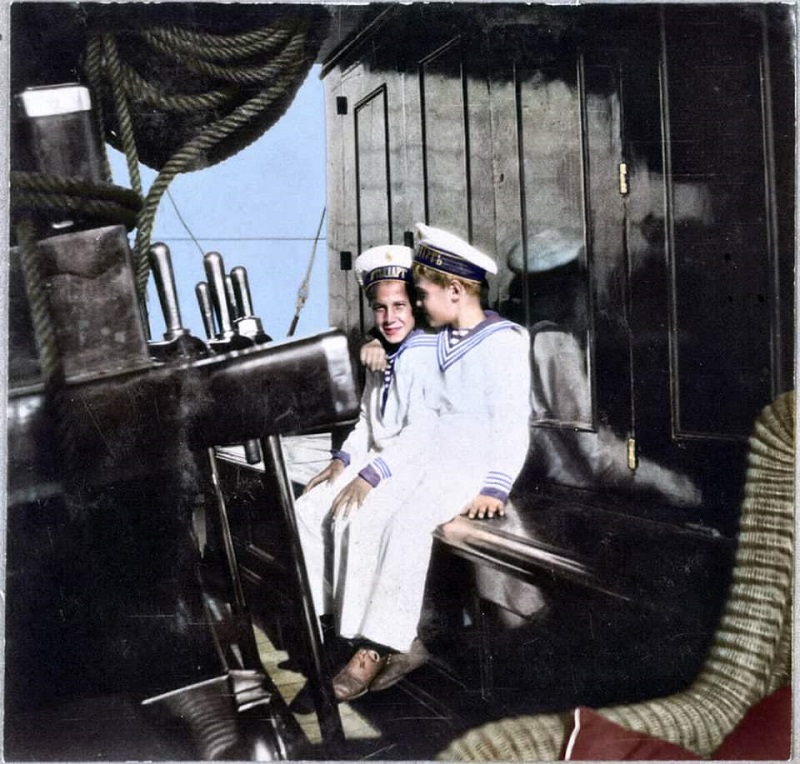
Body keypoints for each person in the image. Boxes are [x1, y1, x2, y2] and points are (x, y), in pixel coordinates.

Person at [356, 223, 533, 692]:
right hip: (431, 462)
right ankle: (367, 634)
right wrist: (373, 342)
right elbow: (398, 348)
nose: (416, 305)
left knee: (407, 523)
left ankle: (391, 642)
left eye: (422, 295)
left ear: (455, 291)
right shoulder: (441, 338)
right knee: (370, 512)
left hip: (469, 470)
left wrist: (496, 486)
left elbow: (513, 421)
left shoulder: (504, 340)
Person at [293, 243, 439, 701]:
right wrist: (341, 461)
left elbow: (423, 434)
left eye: (399, 306)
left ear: (416, 306)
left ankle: (368, 646)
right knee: (307, 508)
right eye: (381, 308)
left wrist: (369, 476)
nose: (390, 317)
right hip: (374, 459)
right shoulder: (381, 353)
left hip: (412, 465)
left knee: (356, 516)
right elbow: (364, 422)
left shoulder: (429, 353)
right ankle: (329, 622)